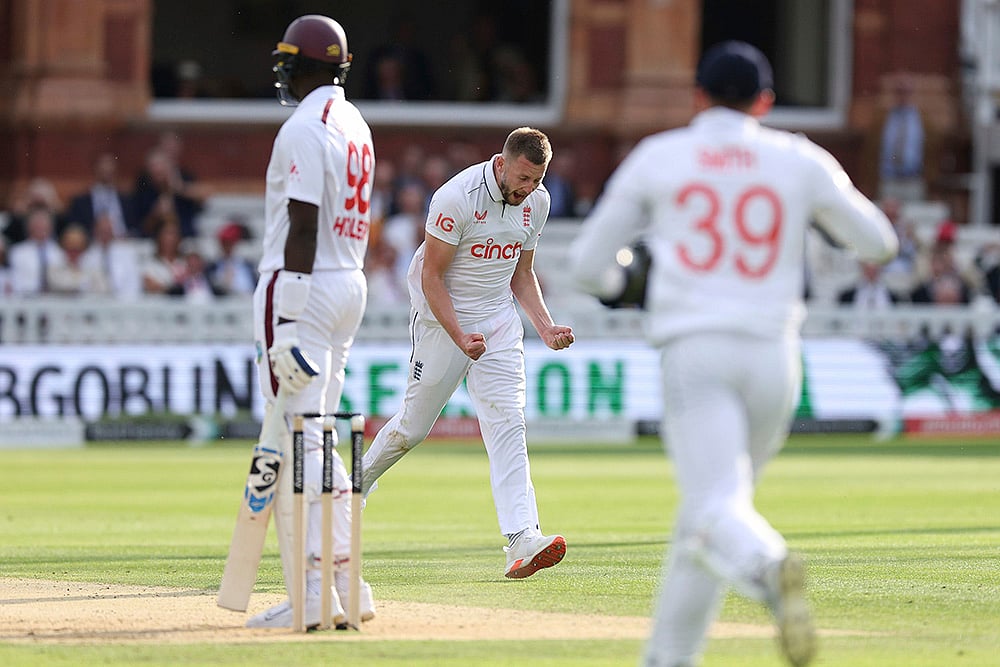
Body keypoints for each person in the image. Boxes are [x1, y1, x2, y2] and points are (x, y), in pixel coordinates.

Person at [567, 41, 899, 667]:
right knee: (712, 507)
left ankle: (767, 565)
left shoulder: (661, 155)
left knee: (717, 508)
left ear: (697, 96)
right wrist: (816, 213)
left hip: (696, 349)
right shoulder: (798, 159)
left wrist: (627, 284)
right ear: (765, 102)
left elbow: (587, 268)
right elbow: (878, 243)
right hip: (775, 356)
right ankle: (668, 658)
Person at [359, 127, 575, 580]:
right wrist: (459, 335)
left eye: (536, 181)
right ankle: (355, 485)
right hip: (444, 320)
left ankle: (522, 539)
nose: (527, 190)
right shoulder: (456, 197)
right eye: (521, 178)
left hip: (497, 321)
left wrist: (546, 326)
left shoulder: (537, 202)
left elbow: (522, 274)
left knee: (508, 423)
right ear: (501, 162)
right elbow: (431, 278)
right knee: (413, 428)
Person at [245, 14, 376, 629]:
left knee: (299, 437)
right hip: (349, 282)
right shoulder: (356, 122)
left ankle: (315, 594)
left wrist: (290, 320)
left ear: (302, 65)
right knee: (319, 436)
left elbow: (302, 221)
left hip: (304, 285)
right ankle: (348, 584)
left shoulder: (306, 124)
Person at [878, 76, 925, 202]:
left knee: (912, 216)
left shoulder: (921, 118)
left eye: (907, 92)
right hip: (889, 178)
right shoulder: (883, 117)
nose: (903, 96)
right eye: (899, 92)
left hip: (913, 179)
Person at [66, 152, 134, 238]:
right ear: (95, 169)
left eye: (110, 165)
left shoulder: (127, 200)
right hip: (91, 246)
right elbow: (74, 229)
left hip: (124, 245)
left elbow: (135, 228)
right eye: (103, 166)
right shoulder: (80, 202)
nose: (106, 169)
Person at [8, 206, 64, 295]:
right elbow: (16, 280)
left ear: (50, 227)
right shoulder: (18, 252)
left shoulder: (59, 252)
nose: (40, 228)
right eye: (37, 225)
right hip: (26, 299)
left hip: (53, 299)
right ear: (29, 227)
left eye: (44, 224)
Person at [207, 221, 257, 296]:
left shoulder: (247, 265)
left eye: (229, 243)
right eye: (224, 243)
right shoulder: (212, 267)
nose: (226, 247)